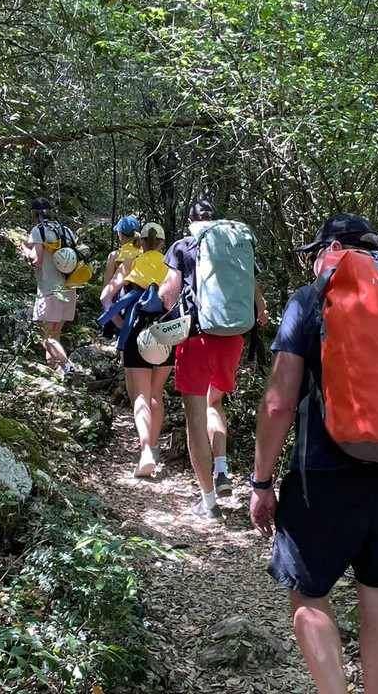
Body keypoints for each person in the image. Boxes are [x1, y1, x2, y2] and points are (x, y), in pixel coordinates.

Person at [248, 213, 378, 694]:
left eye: (315, 253)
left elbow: (278, 404)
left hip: (321, 475)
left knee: (308, 594)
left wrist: (261, 482)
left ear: (331, 250)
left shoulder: (311, 299)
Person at [159, 200, 267, 520]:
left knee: (195, 418)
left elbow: (168, 294)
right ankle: (221, 469)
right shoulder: (234, 244)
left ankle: (208, 504)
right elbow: (260, 305)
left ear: (190, 222)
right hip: (232, 339)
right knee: (214, 403)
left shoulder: (183, 246)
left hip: (197, 338)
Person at [109, 221, 174, 477]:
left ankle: (145, 450)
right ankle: (154, 448)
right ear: (162, 242)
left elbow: (106, 296)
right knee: (156, 394)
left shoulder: (131, 263)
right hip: (166, 334)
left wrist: (120, 324)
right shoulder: (172, 266)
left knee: (141, 396)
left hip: (137, 331)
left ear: (141, 241)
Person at [20, 197, 77, 378]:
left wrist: (25, 249)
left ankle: (67, 367)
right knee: (55, 332)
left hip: (49, 288)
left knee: (43, 334)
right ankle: (55, 369)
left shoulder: (39, 230)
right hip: (69, 286)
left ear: (33, 213)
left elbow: (36, 260)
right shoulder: (66, 230)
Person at [101, 215, 143, 295]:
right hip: (144, 297)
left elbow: (107, 284)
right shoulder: (145, 252)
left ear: (120, 233)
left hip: (122, 298)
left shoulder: (115, 255)